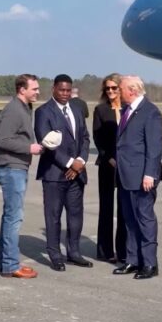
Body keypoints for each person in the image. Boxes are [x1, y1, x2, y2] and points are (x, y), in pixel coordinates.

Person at [34, 74, 92, 271]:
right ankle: (55, 254)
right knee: (53, 216)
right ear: (54, 89)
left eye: (68, 90)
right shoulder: (43, 112)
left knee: (75, 216)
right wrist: (69, 163)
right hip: (53, 174)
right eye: (62, 90)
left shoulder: (76, 109)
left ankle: (74, 252)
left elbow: (84, 138)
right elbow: (47, 143)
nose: (65, 94)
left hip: (77, 173)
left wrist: (80, 162)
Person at [113, 75, 162, 279]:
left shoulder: (150, 112)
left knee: (145, 220)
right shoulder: (128, 110)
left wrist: (150, 174)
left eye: (121, 89)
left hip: (142, 177)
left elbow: (154, 148)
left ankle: (150, 264)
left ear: (132, 90)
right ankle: (132, 260)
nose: (118, 92)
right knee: (129, 221)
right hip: (126, 175)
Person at [0, 74, 43, 278]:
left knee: (11, 216)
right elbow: (3, 140)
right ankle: (10, 265)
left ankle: (9, 262)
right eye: (34, 88)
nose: (38, 92)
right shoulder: (14, 110)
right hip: (11, 169)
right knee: (14, 217)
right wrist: (28, 147)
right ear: (22, 89)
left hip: (17, 167)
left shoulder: (24, 108)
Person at [92, 72, 127, 263]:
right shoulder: (100, 110)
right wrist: (109, 157)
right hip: (107, 163)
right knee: (106, 208)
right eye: (108, 88)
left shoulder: (129, 108)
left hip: (126, 165)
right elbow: (98, 138)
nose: (111, 91)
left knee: (124, 209)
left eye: (114, 87)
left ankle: (122, 251)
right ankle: (105, 251)